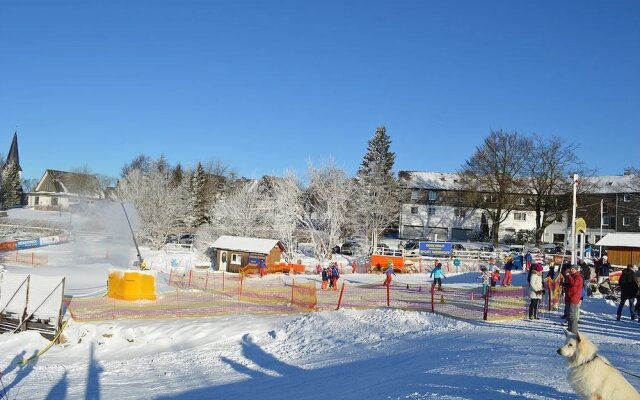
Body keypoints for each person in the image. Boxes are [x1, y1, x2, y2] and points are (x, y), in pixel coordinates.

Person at [564, 265, 584, 334]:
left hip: (574, 297)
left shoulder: (578, 277)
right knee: (568, 314)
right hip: (568, 297)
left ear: (576, 270)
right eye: (571, 269)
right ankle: (570, 328)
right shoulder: (572, 276)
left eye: (573, 269)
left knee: (572, 315)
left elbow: (573, 284)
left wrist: (569, 276)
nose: (571, 270)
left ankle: (574, 330)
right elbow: (569, 284)